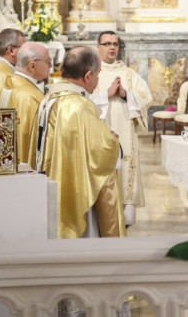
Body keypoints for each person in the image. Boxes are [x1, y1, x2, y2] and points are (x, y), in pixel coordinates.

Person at [33, 47, 125, 238]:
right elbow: (101, 154)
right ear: (88, 76)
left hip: (52, 185)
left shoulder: (50, 98)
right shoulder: (78, 106)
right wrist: (112, 141)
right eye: (97, 74)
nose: (97, 80)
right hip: (76, 192)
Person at [90, 31, 152, 227]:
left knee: (126, 171)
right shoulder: (91, 73)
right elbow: (81, 100)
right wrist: (106, 95)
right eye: (107, 44)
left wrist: (126, 94)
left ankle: (125, 219)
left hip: (125, 133)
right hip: (99, 132)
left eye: (115, 44)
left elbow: (146, 97)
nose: (112, 47)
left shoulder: (128, 74)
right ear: (98, 47)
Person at [2, 42, 51, 167]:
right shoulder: (30, 97)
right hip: (25, 169)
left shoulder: (10, 82)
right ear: (32, 66)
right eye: (48, 61)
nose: (50, 65)